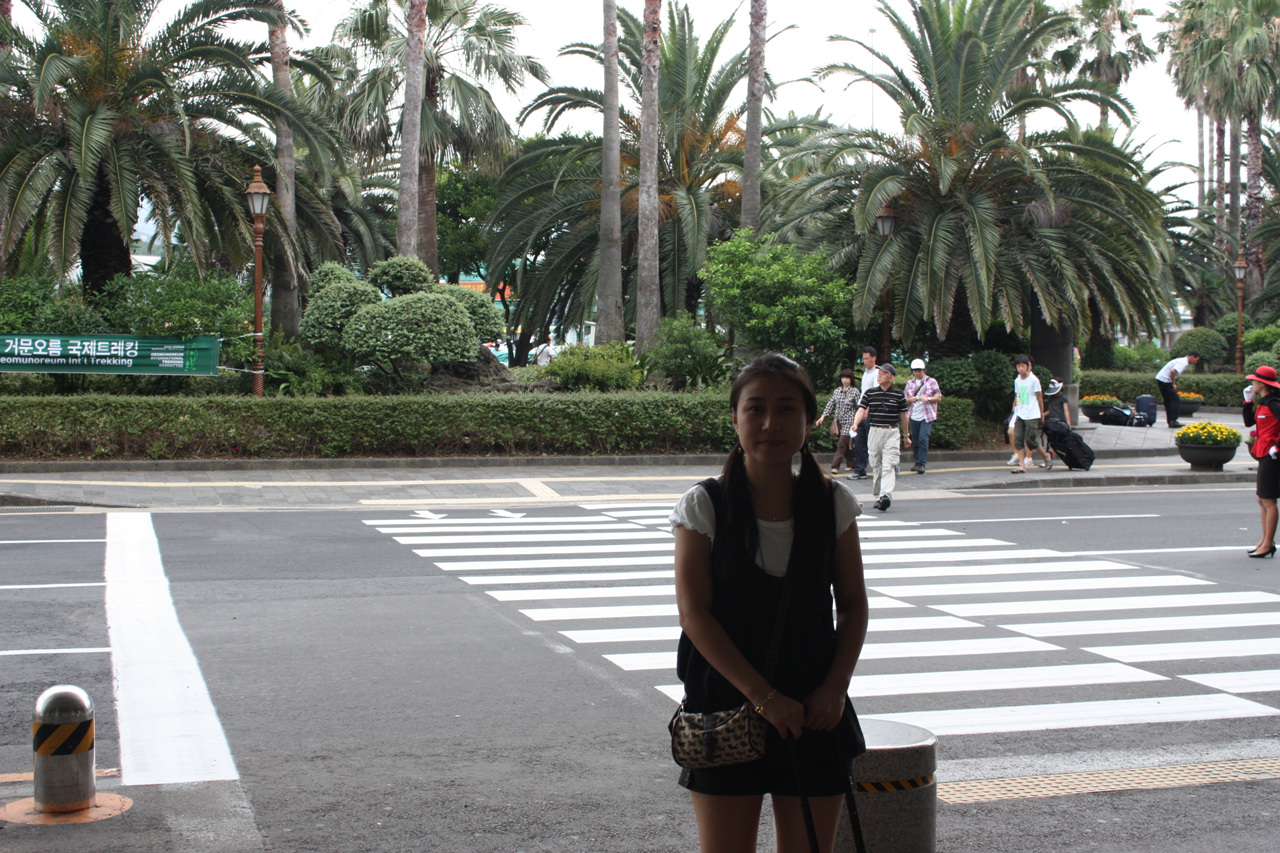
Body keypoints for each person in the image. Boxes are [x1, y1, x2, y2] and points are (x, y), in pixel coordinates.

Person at [670, 353, 868, 853]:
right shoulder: (705, 505)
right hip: (725, 707)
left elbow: (852, 605)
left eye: (786, 409)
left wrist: (835, 689)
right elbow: (694, 615)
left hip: (814, 709)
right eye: (755, 408)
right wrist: (764, 697)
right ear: (735, 418)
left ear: (808, 419)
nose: (769, 424)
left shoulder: (832, 503)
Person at [850, 363, 911, 511]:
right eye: (879, 373)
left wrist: (906, 436)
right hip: (875, 431)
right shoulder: (870, 393)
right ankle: (879, 495)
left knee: (889, 464)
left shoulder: (898, 395)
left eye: (883, 373)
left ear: (891, 377)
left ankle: (885, 496)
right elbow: (861, 410)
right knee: (876, 464)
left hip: (891, 431)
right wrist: (855, 423)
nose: (879, 376)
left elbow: (903, 416)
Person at [1243, 365, 1280, 558]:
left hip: (1272, 454)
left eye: (1254, 380)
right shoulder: (1264, 402)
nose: (1252, 383)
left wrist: (1278, 447)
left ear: (1263, 384)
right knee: (1262, 499)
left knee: (1269, 500)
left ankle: (1268, 544)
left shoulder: (1274, 403)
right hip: (1264, 451)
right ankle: (1265, 540)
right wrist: (1247, 402)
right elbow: (1249, 422)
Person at [815, 369, 861, 475]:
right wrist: (823, 417)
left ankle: (835, 466)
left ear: (851, 379)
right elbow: (830, 404)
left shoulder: (855, 391)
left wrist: (857, 422)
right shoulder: (837, 391)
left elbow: (859, 407)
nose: (844, 380)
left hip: (849, 422)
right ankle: (851, 463)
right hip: (838, 421)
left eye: (847, 378)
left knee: (842, 443)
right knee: (845, 444)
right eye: (843, 378)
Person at [1010, 355, 1050, 474]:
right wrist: (1015, 406)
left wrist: (1041, 414)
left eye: (1023, 366)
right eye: (1018, 366)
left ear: (1028, 366)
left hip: (1032, 414)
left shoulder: (1034, 380)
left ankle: (1046, 455)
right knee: (1018, 439)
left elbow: (1039, 398)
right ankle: (1022, 466)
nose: (1020, 369)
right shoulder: (1017, 380)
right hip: (1020, 413)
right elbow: (1017, 395)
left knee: (1030, 439)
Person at [903, 358, 941, 474]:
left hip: (927, 415)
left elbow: (939, 397)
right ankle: (917, 462)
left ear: (924, 370)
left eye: (919, 370)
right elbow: (904, 399)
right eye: (915, 370)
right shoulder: (910, 383)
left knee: (923, 438)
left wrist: (927, 398)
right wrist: (911, 399)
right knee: (915, 440)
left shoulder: (931, 382)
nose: (917, 373)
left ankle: (922, 463)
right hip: (914, 414)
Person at [849, 347, 879, 480]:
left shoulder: (877, 373)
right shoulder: (866, 373)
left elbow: (875, 393)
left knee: (873, 442)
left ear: (874, 358)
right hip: (861, 409)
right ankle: (860, 469)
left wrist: (868, 408)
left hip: (871, 411)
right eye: (863, 358)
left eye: (867, 358)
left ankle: (886, 466)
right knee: (859, 440)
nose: (865, 361)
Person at [1155, 350, 1201, 428]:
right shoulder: (1183, 362)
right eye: (1196, 360)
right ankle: (1173, 420)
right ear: (1192, 356)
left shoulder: (1182, 360)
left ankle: (1170, 421)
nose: (1196, 362)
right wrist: (1173, 383)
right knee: (1175, 400)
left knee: (1168, 401)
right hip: (1165, 380)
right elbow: (1173, 371)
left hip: (1161, 379)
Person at [1040, 378, 1071, 468]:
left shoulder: (1063, 398)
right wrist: (1042, 415)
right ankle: (1049, 460)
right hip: (1051, 423)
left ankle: (1050, 459)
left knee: (1059, 442)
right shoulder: (1052, 398)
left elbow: (1066, 411)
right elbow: (1050, 410)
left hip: (1060, 423)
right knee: (1050, 441)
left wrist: (1068, 424)